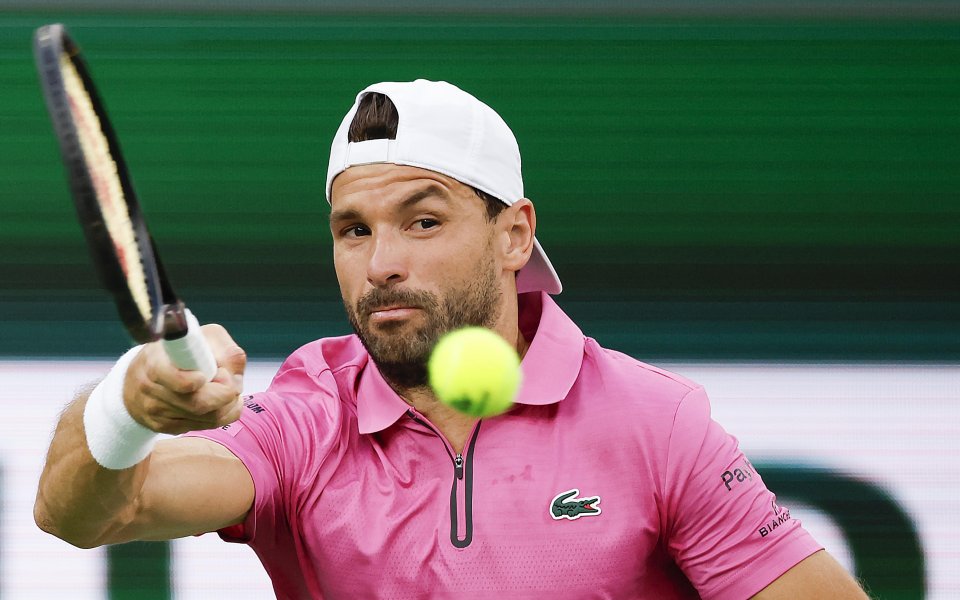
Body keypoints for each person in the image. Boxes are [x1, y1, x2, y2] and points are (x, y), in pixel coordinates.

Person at [35, 79, 869, 599]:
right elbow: (86, 513)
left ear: (514, 235)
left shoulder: (655, 424)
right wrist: (128, 405)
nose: (382, 264)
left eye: (423, 221)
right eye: (354, 230)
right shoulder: (306, 416)